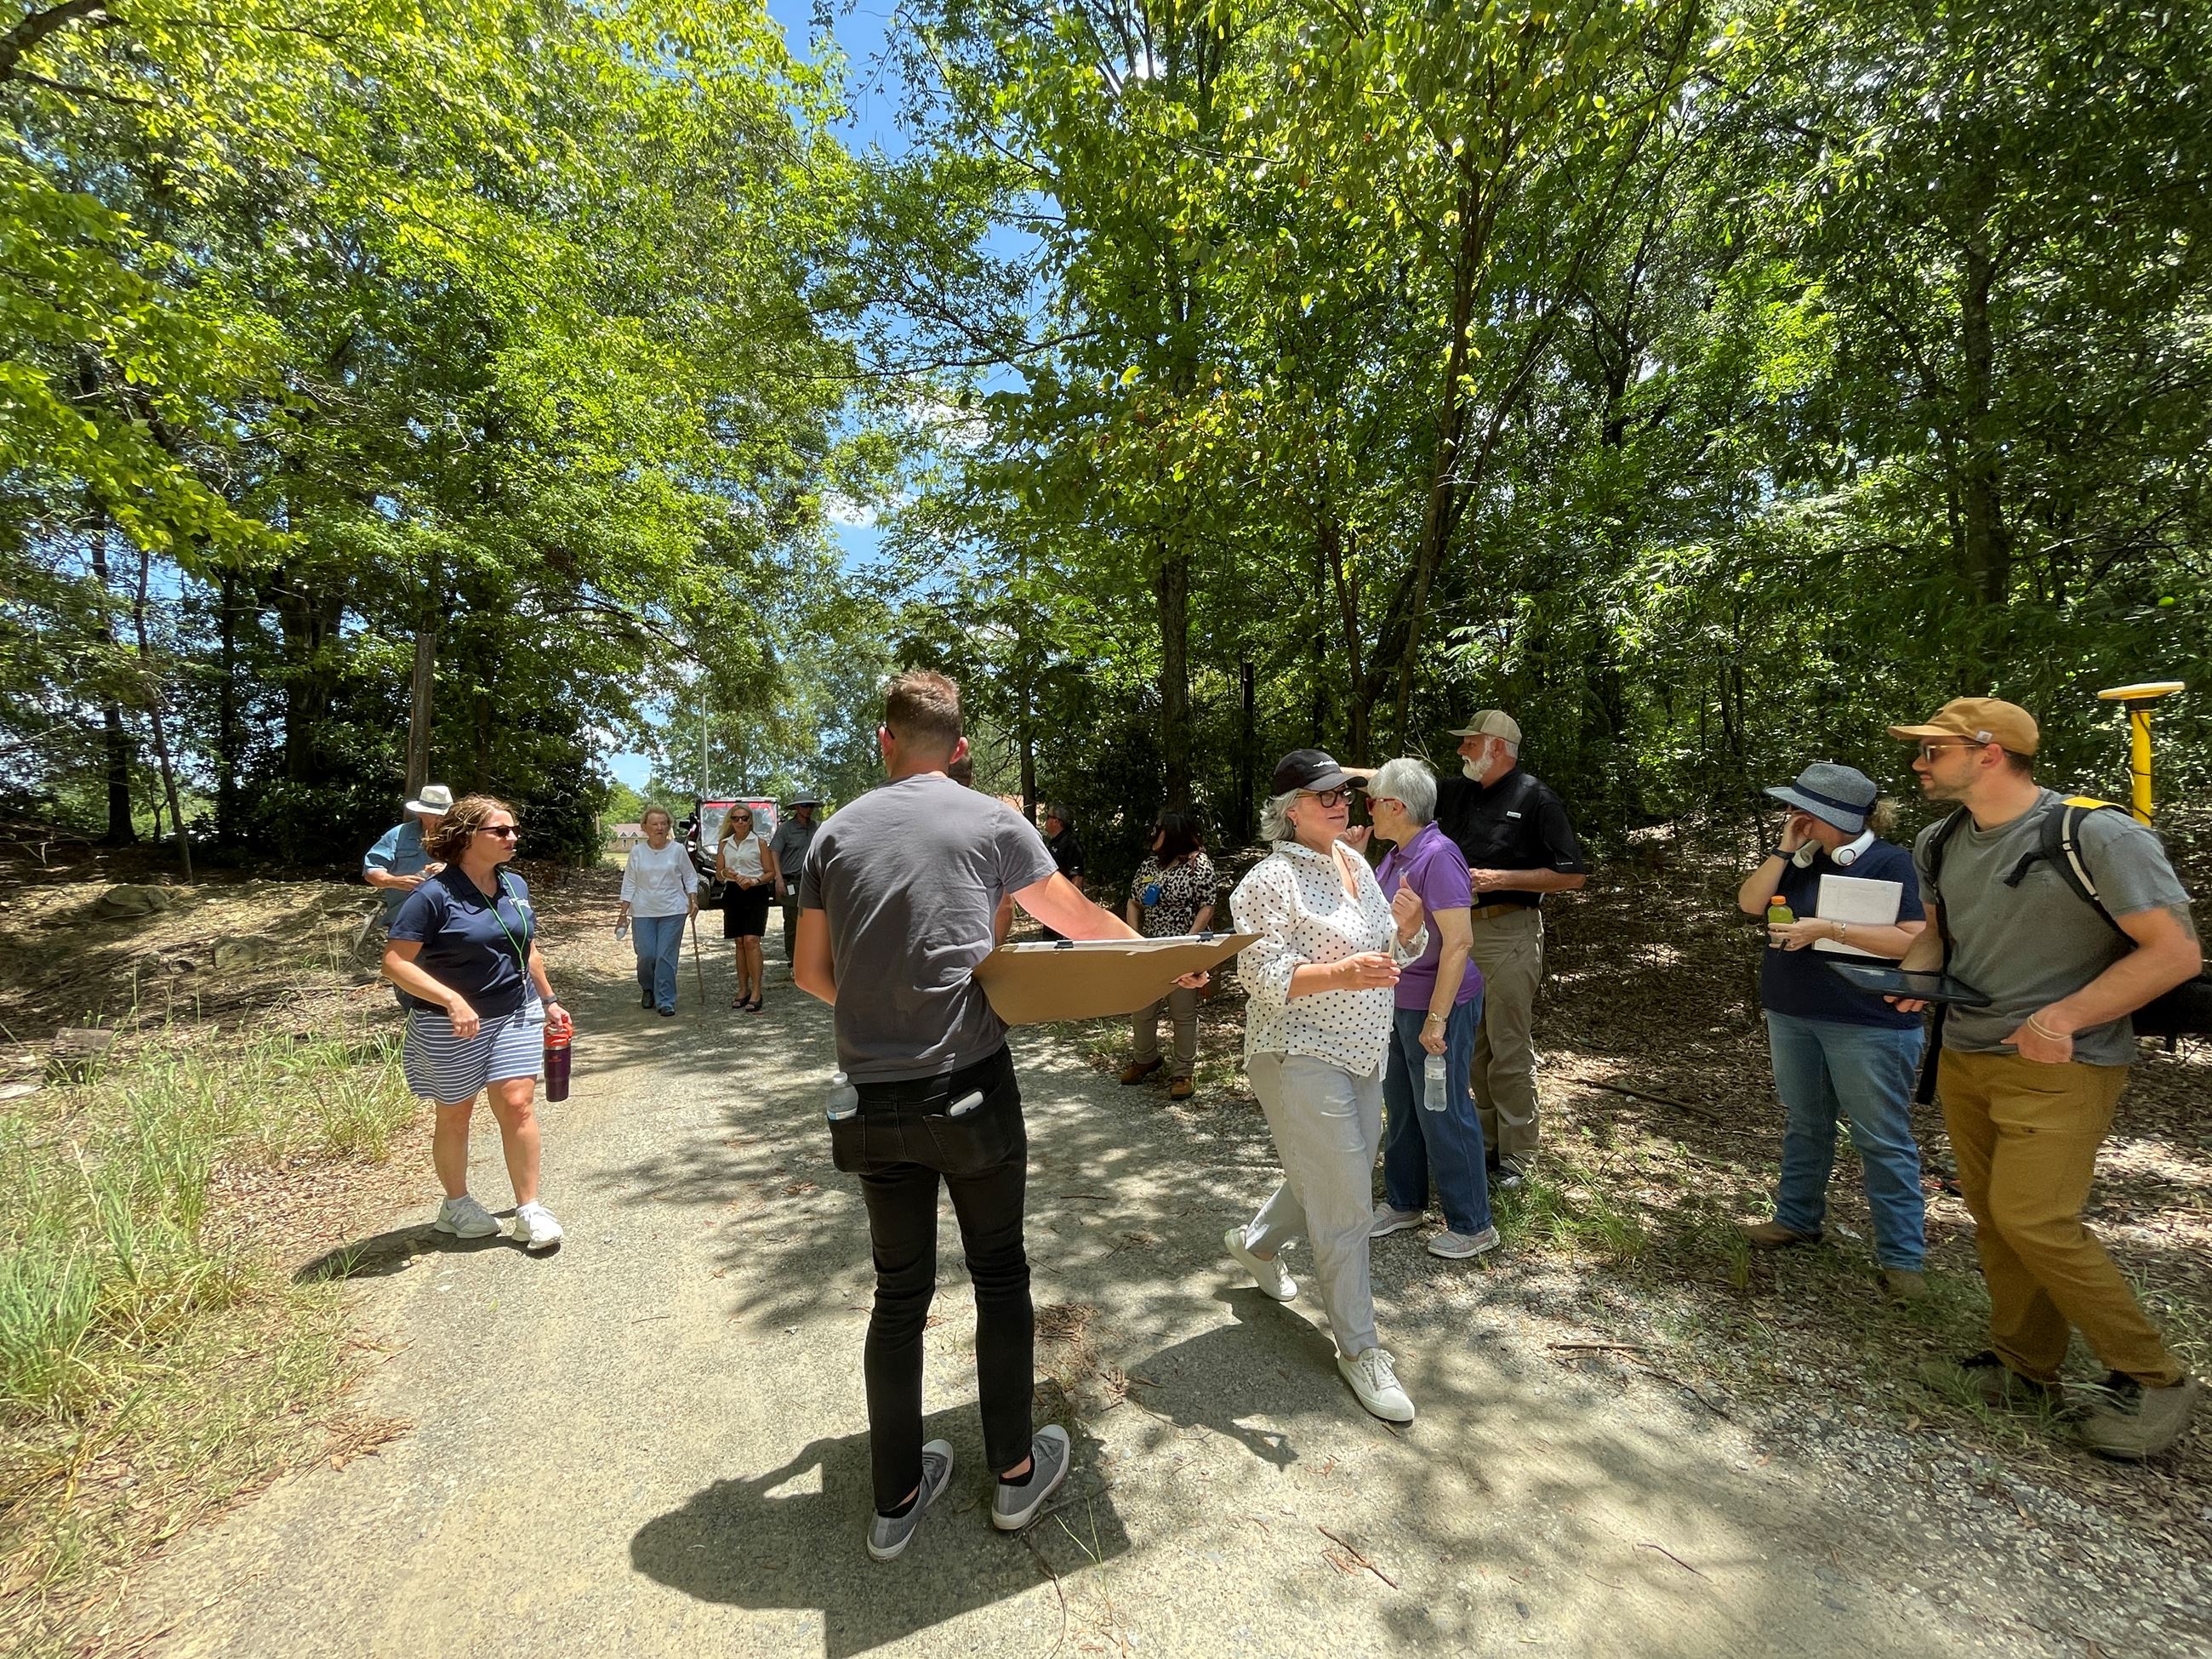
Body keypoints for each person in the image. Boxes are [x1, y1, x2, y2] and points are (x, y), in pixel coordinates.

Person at [793, 670, 1189, 1561]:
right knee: (999, 1274)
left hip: (869, 1097)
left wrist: (882, 1016)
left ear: (883, 741)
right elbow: (1076, 919)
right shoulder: (991, 820)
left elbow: (812, 974)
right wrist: (1164, 957)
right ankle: (1013, 1476)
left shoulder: (833, 832)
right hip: (969, 1087)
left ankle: (894, 1498)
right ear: (960, 749)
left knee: (899, 1293)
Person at [1888, 699, 2202, 1458]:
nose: (1919, 764)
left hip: (2065, 1063)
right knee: (1995, 1218)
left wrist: (2063, 1018)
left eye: (1934, 751)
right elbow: (1938, 936)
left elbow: (2174, 953)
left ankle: (2155, 1377)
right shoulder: (1941, 838)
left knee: (2035, 1218)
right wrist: (1912, 979)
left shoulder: (2097, 833)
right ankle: (2025, 1368)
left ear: (1989, 753)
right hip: (1967, 1052)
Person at [1225, 750, 1429, 1424]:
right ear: (1290, 812)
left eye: (1343, 792)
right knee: (1345, 1201)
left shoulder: (1356, 864)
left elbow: (1389, 955)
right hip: (1297, 1052)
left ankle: (1254, 1244)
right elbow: (1263, 977)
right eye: (1324, 796)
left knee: (1327, 1173)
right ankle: (1360, 1350)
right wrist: (1345, 973)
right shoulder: (1267, 880)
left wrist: (1404, 933)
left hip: (1363, 1050)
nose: (1341, 802)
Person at [1732, 763, 1930, 1301]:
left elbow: (1917, 940)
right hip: (1793, 1012)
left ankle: (1902, 1258)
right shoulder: (1797, 861)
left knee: (1881, 1139)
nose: (1792, 815)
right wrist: (1781, 850)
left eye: (1801, 808)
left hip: (1869, 1022)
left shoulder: (1894, 862)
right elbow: (1752, 904)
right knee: (1806, 1123)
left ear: (1833, 815)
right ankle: (1797, 1219)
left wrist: (1829, 929)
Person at [381, 794, 566, 1251]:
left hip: (514, 1010)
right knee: (457, 1112)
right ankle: (456, 1204)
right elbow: (394, 963)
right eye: (500, 831)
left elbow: (525, 948)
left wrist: (549, 999)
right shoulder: (432, 895)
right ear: (467, 837)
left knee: (518, 1102)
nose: (512, 838)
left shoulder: (515, 886)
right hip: (449, 1024)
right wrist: (451, 1000)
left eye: (514, 830)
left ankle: (529, 1209)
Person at [1432, 710, 1588, 1186]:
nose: (1461, 751)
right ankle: (1485, 1148)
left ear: (1497, 747)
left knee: (1508, 1046)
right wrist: (1347, 778)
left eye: (1470, 743)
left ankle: (1519, 1156)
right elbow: (1402, 785)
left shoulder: (1535, 798)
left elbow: (1572, 874)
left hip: (1509, 933)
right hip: (1460, 935)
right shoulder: (1457, 792)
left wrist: (1499, 878)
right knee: (1472, 1046)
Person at [1365, 758, 1496, 1260]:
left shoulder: (1437, 857)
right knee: (1401, 1104)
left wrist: (1438, 1018)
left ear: (1396, 806)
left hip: (1437, 1004)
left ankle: (1473, 1223)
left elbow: (1459, 944)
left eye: (1374, 800)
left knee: (1442, 1109)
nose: (1368, 809)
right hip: (1397, 1000)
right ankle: (1404, 1203)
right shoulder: (1397, 855)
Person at [1118, 810, 1217, 1101]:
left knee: (1183, 1013)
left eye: (1158, 830)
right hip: (1149, 949)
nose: (1152, 834)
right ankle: (1145, 1058)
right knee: (1142, 1007)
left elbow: (1207, 904)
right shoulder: (1149, 865)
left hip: (1182, 950)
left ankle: (1183, 1072)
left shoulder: (1197, 865)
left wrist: (1189, 942)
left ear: (1172, 833)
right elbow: (1134, 902)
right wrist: (1135, 938)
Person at [618, 805, 700, 1018]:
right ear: (645, 827)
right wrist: (622, 913)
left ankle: (665, 999)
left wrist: (693, 899)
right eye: (654, 824)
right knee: (646, 955)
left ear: (669, 826)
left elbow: (690, 877)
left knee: (665, 955)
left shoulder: (678, 850)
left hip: (673, 910)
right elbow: (629, 883)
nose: (659, 828)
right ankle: (648, 988)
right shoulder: (637, 852)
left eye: (663, 823)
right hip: (643, 910)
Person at [716, 805, 780, 1012]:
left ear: (751, 820)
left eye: (744, 818)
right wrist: (727, 873)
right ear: (731, 821)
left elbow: (770, 872)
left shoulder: (759, 842)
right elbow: (719, 874)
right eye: (736, 818)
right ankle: (742, 989)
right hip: (733, 892)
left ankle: (756, 991)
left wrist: (754, 880)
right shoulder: (724, 844)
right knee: (739, 942)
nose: (740, 822)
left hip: (755, 892)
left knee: (752, 940)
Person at [362, 783, 453, 928]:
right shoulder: (399, 834)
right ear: (420, 813)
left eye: (444, 815)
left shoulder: (461, 838)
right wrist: (393, 881)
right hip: (404, 921)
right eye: (433, 814)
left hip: (449, 921)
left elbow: (479, 871)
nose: (439, 819)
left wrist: (449, 870)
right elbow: (371, 870)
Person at [770, 795, 824, 959]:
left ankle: (813, 957)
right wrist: (778, 878)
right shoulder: (786, 829)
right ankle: (793, 959)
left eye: (811, 806)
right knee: (793, 920)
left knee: (816, 919)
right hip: (792, 881)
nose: (809, 809)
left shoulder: (818, 827)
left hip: (814, 882)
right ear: (797, 808)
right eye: (805, 806)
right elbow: (774, 852)